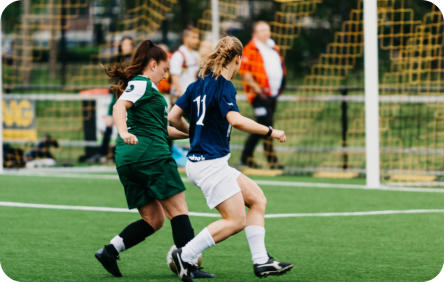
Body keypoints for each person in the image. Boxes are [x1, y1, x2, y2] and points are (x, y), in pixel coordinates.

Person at [168, 36, 293, 282]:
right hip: (209, 164)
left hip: (205, 162)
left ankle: (261, 262)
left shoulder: (197, 85)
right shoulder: (224, 86)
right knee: (235, 221)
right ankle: (186, 254)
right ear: (236, 59)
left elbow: (173, 116)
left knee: (257, 199)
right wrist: (271, 131)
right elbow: (235, 119)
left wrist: (193, 133)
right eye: (239, 63)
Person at [94, 39, 214, 279]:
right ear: (152, 63)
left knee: (154, 219)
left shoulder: (149, 91)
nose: (166, 72)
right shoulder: (141, 84)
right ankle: (187, 264)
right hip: (150, 155)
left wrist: (195, 133)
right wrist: (124, 132)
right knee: (179, 208)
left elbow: (162, 129)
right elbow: (119, 108)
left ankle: (110, 251)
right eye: (164, 67)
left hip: (129, 160)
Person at [239, 21, 286, 169]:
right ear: (255, 34)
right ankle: (249, 157)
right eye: (262, 30)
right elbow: (245, 72)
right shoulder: (250, 50)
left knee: (267, 125)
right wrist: (257, 89)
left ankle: (268, 159)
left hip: (271, 95)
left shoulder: (273, 48)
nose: (266, 32)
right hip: (259, 95)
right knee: (263, 125)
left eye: (267, 29)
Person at [99, 36, 134, 162]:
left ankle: (122, 153)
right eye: (125, 44)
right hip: (118, 96)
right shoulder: (117, 60)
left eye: (129, 44)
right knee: (110, 124)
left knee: (125, 125)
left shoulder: (135, 61)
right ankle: (104, 153)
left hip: (129, 97)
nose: (127, 47)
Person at [170, 26, 200, 102]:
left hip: (193, 97)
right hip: (181, 97)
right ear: (185, 38)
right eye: (194, 38)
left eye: (197, 38)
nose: (197, 41)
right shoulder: (178, 55)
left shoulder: (196, 55)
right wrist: (182, 97)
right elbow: (174, 77)